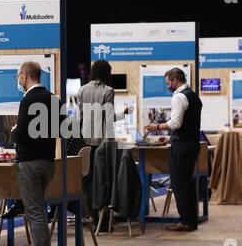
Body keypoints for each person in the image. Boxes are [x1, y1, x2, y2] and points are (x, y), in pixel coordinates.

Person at [10, 61, 60, 246]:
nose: (18, 81)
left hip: (30, 163)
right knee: (39, 210)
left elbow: (21, 135)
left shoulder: (28, 99)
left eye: (18, 77)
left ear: (24, 75)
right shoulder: (53, 98)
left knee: (36, 214)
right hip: (48, 163)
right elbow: (58, 129)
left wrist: (14, 131)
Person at [145, 68, 202, 232]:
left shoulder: (179, 96)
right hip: (191, 144)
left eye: (168, 82)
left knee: (179, 184)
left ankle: (185, 221)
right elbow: (188, 125)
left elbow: (175, 123)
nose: (168, 86)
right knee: (187, 184)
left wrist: (155, 127)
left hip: (182, 148)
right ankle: (191, 220)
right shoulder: (192, 95)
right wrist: (171, 138)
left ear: (175, 80)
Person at [76, 60, 132, 228]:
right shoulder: (108, 91)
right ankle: (104, 221)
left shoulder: (82, 90)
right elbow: (108, 119)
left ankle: (90, 217)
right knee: (103, 180)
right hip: (102, 142)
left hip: (85, 141)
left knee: (88, 179)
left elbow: (80, 117)